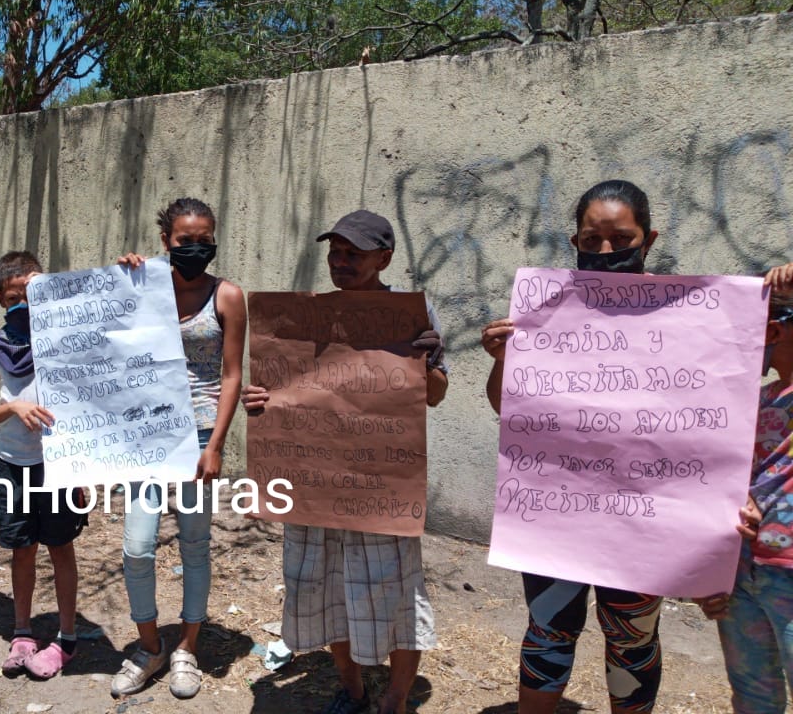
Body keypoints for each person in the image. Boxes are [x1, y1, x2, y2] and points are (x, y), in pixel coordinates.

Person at [241, 210, 448, 714]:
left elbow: (437, 396)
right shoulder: (303, 319)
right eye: (335, 252)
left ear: (385, 258)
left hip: (379, 489)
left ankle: (396, 698)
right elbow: (281, 396)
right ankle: (351, 690)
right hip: (315, 487)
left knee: (398, 592)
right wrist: (260, 403)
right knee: (324, 586)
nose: (341, 261)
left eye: (353, 253)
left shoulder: (408, 317)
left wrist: (425, 362)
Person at [480, 180, 667, 714]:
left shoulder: (683, 312)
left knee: (631, 638)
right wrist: (501, 360)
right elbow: (506, 407)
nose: (606, 251)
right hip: (556, 507)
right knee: (549, 627)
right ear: (574, 242)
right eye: (591, 239)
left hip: (640, 517)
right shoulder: (548, 308)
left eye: (620, 238)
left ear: (647, 239)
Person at [110, 197, 246, 699]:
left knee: (194, 545)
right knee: (137, 546)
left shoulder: (228, 296)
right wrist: (121, 279)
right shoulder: (143, 287)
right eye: (184, 240)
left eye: (204, 240)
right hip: (146, 435)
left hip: (198, 438)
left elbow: (232, 374)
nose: (195, 248)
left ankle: (187, 645)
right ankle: (150, 646)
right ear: (165, 240)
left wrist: (216, 445)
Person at [0, 250, 86, 680]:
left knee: (61, 547)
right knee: (21, 549)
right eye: (14, 295)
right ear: (2, 298)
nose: (23, 302)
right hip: (12, 465)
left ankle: (68, 636)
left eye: (33, 292)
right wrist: (14, 407)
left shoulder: (64, 341)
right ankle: (22, 632)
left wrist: (80, 470)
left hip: (57, 466)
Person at [694, 272, 793, 714]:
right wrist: (709, 572)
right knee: (752, 695)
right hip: (739, 577)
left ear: (771, 331)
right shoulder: (747, 403)